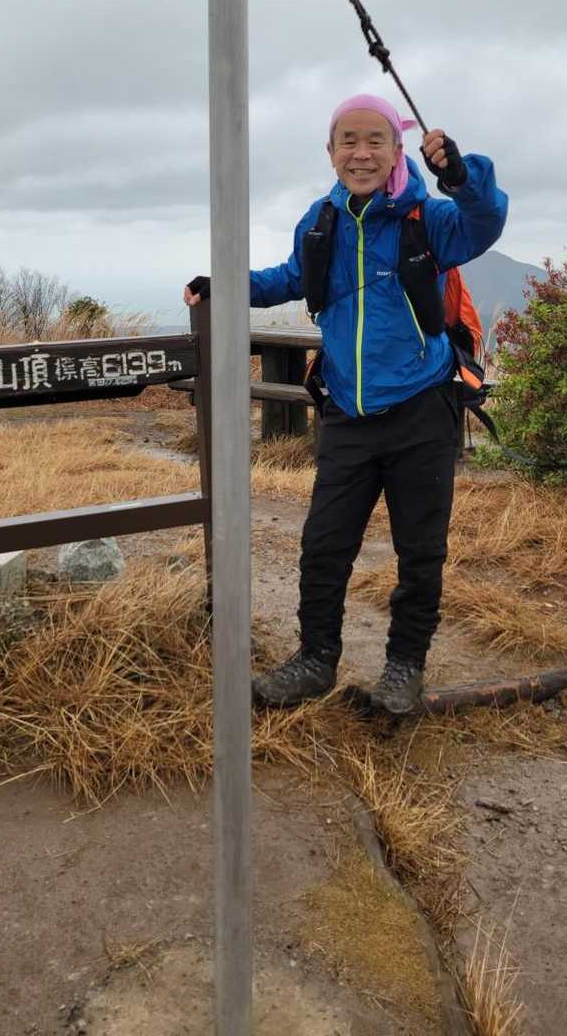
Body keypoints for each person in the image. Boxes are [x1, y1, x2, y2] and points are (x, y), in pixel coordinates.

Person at [184, 92, 507, 715]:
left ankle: (404, 669)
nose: (361, 153)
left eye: (375, 141)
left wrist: (463, 177)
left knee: (420, 552)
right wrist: (224, 287)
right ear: (330, 152)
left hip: (422, 410)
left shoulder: (428, 219)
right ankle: (315, 660)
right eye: (348, 141)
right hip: (347, 414)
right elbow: (291, 278)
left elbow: (484, 222)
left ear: (396, 150)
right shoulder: (321, 221)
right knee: (324, 545)